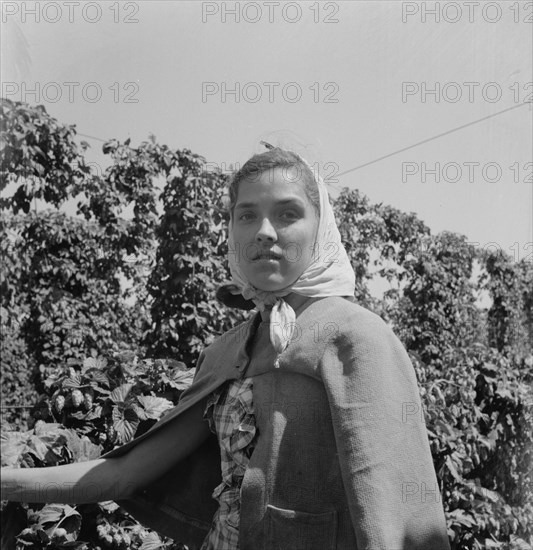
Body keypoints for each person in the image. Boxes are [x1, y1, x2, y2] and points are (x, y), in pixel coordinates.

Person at [1, 145, 451, 550]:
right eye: (247, 214)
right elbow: (124, 474)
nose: (265, 232)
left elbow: (395, 515)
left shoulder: (356, 339)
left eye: (289, 214)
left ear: (322, 229)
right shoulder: (225, 351)